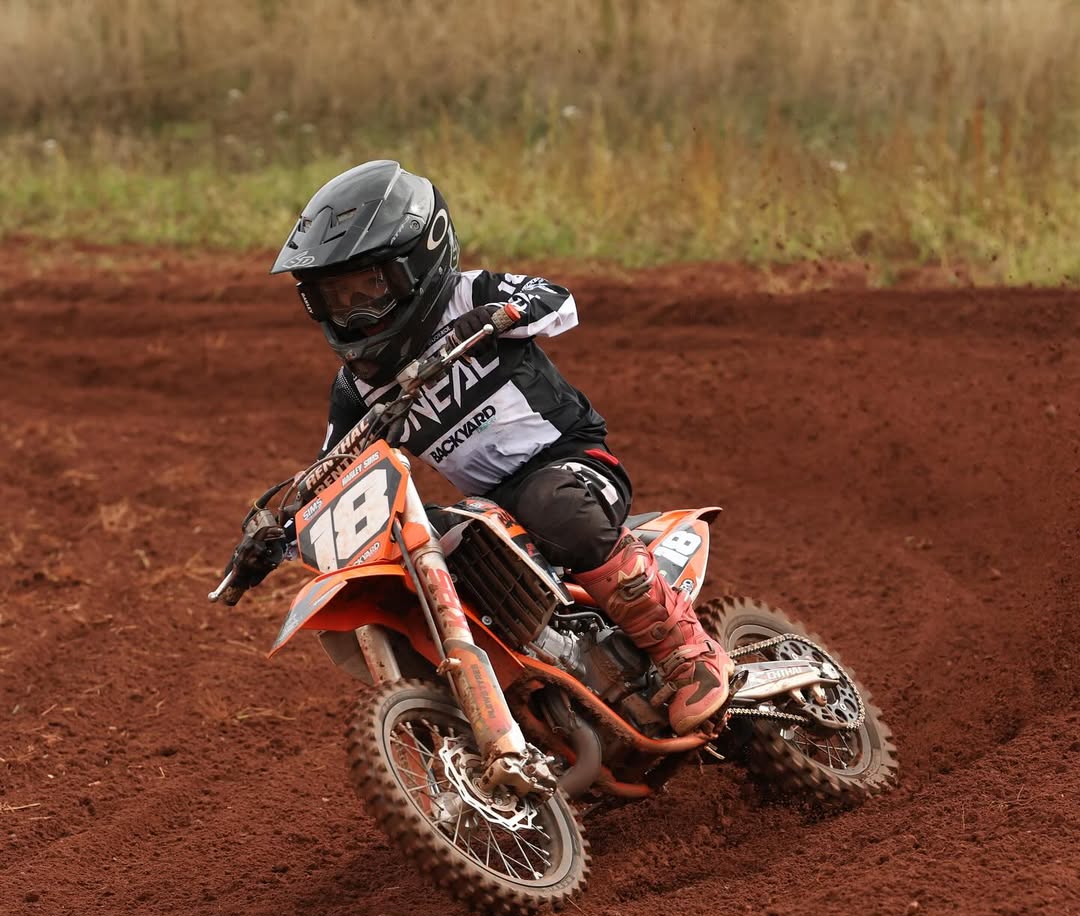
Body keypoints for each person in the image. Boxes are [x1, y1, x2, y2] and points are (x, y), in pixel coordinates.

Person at [245, 159, 733, 734]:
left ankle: (689, 655)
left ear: (418, 263)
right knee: (420, 549)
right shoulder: (357, 385)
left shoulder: (467, 294)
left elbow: (556, 299)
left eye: (369, 288)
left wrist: (504, 314)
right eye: (336, 297)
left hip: (571, 463)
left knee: (551, 503)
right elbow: (333, 470)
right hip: (493, 507)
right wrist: (276, 534)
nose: (354, 311)